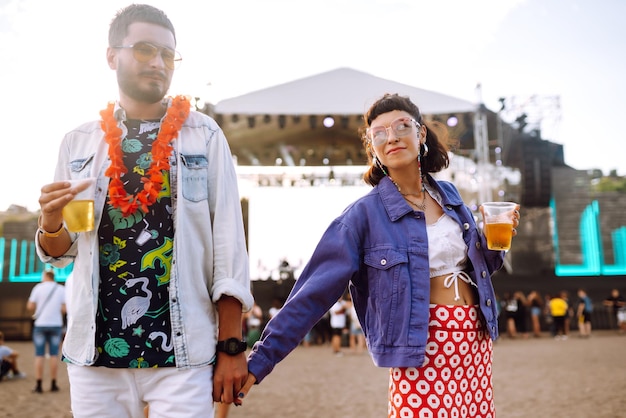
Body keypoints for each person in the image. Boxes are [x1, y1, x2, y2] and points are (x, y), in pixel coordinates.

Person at [239, 93, 521, 416]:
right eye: (379, 133)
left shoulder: (451, 196)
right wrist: (260, 360)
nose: (392, 137)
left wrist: (494, 239)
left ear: (421, 134)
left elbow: (481, 267)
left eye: (402, 126)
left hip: (475, 343)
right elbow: (312, 293)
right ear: (372, 146)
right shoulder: (363, 215)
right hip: (420, 352)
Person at [35, 4, 253, 417]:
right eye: (145, 49)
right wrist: (49, 223)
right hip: (94, 356)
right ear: (112, 55)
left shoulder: (202, 136)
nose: (158, 62)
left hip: (183, 354)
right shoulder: (78, 143)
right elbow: (63, 251)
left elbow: (228, 245)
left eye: (168, 55)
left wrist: (231, 346)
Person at [27, 270, 66, 393]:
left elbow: (30, 306)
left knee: (39, 355)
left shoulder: (38, 288)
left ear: (45, 276)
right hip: (56, 325)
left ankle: (38, 385)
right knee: (54, 355)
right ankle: (54, 384)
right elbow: (64, 309)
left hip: (40, 324)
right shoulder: (61, 289)